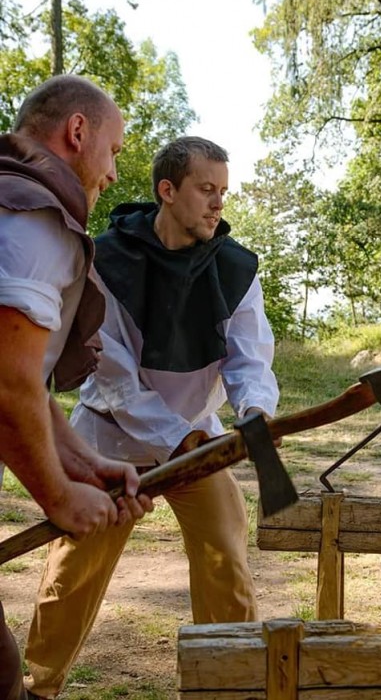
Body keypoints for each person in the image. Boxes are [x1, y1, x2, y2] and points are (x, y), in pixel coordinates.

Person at [23, 135, 280, 699]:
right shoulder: (106, 262)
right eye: (206, 190)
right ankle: (35, 689)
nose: (219, 204)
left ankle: (229, 687)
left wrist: (256, 416)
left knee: (225, 558)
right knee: (71, 577)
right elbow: (113, 379)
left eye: (224, 192)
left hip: (198, 441)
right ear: (168, 190)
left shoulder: (236, 268)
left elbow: (248, 358)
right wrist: (180, 436)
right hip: (109, 441)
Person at [0, 75, 154, 700]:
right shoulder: (35, 217)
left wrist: (86, 463)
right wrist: (61, 498)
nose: (114, 174)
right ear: (78, 131)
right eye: (114, 151)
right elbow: (8, 387)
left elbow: (23, 380)